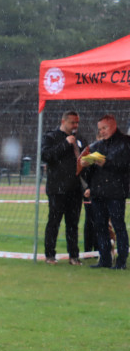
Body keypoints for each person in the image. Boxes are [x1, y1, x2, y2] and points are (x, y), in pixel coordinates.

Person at [80, 115, 130, 269]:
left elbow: (123, 165)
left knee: (118, 226)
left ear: (113, 125)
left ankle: (121, 261)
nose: (101, 131)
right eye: (100, 129)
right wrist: (85, 164)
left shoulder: (126, 142)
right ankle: (104, 259)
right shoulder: (96, 146)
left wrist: (104, 162)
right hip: (98, 192)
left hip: (116, 192)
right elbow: (89, 173)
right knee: (100, 227)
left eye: (104, 128)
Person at [40, 111, 83, 265]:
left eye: (77, 123)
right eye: (72, 122)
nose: (75, 126)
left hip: (75, 189)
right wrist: (65, 143)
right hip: (57, 188)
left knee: (73, 224)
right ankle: (50, 255)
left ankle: (74, 256)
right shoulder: (50, 137)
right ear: (63, 121)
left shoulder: (79, 139)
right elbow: (46, 156)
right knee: (54, 222)